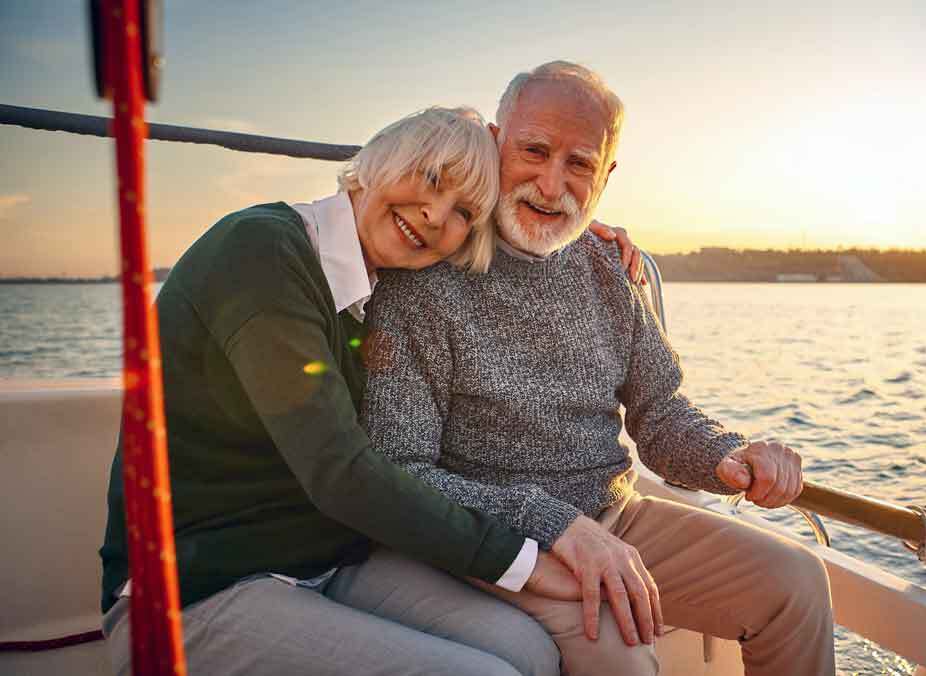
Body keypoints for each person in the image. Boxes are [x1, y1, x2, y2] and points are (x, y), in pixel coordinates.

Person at [98, 106, 647, 676]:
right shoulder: (262, 253)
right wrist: (523, 561)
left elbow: (522, 212)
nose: (436, 214)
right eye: (431, 177)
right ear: (377, 160)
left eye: (463, 212)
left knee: (532, 653)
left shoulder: (384, 285)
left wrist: (583, 237)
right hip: (193, 586)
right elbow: (341, 471)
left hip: (324, 559)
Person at [362, 62, 837, 676]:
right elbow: (401, 470)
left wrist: (729, 458)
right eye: (534, 150)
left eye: (579, 163)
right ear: (496, 141)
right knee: (622, 659)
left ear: (605, 176)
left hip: (615, 519)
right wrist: (551, 524)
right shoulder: (425, 275)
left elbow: (659, 412)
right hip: (489, 540)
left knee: (796, 582)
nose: (551, 183)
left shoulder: (607, 269)